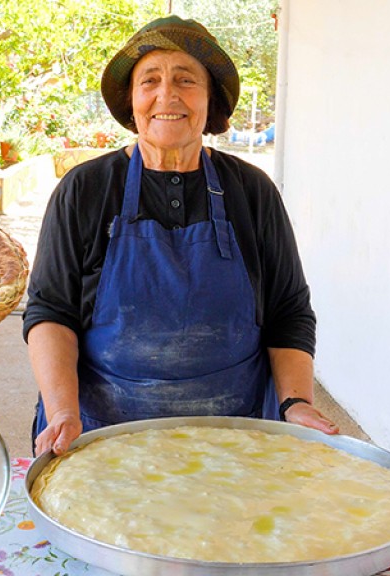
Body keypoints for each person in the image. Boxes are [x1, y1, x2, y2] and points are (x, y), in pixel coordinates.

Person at [23, 15, 338, 456]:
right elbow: (51, 311)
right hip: (99, 434)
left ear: (211, 99)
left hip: (233, 434)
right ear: (132, 100)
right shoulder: (85, 188)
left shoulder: (252, 191)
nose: (166, 95)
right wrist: (61, 411)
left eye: (186, 80)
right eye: (149, 80)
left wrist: (296, 403)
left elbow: (288, 311)